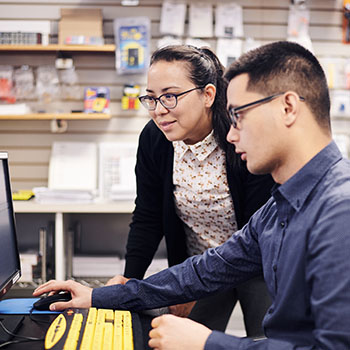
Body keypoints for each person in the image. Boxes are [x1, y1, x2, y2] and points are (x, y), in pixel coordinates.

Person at [33, 40, 350, 350]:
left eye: (238, 115)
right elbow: (209, 267)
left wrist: (205, 343)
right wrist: (101, 296)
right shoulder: (280, 206)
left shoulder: (339, 214)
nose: (230, 133)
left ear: (288, 107)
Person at [106, 44, 273, 335]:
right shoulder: (155, 139)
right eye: (152, 98)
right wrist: (129, 278)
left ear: (208, 95)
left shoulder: (241, 138)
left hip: (257, 262)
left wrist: (192, 282)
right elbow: (148, 215)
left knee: (266, 338)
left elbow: (259, 233)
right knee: (181, 340)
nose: (159, 111)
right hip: (198, 266)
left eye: (170, 97)